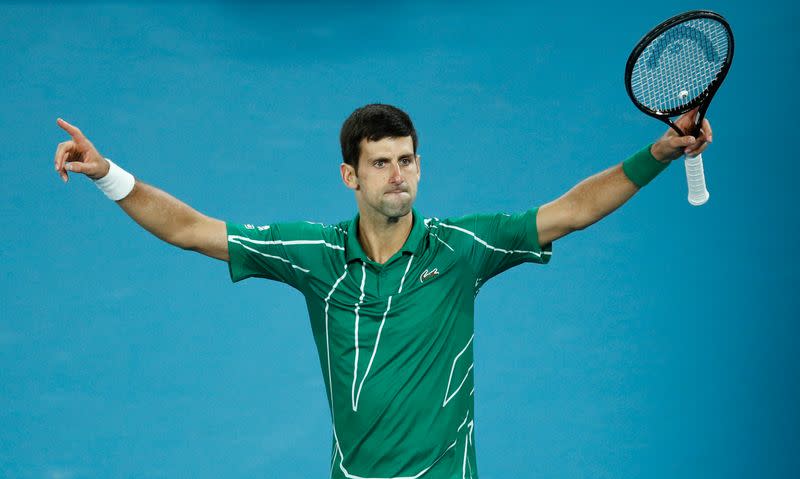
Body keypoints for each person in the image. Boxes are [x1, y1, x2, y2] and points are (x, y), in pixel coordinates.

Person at [54, 104, 711, 478]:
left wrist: (654, 155)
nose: (398, 175)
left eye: (407, 159)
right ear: (350, 174)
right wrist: (108, 174)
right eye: (381, 162)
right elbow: (195, 229)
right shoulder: (314, 255)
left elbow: (570, 210)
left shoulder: (462, 248)